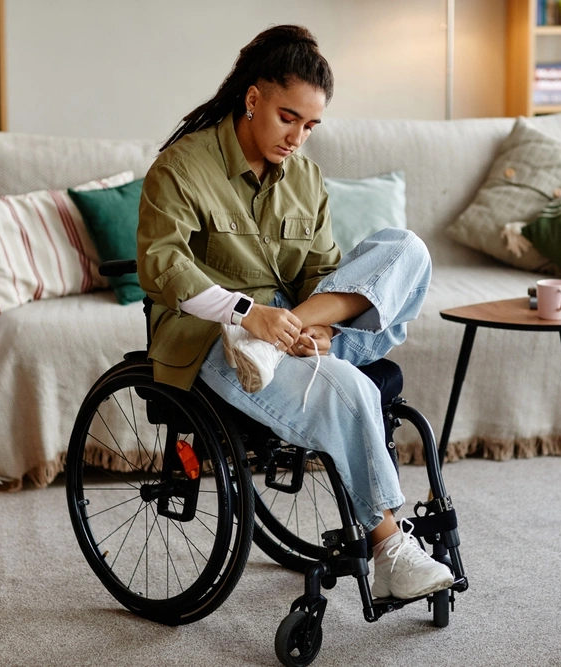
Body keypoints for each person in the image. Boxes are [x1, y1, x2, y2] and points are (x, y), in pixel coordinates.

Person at [136, 24, 453, 601]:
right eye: (288, 118)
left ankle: (290, 337)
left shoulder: (304, 178)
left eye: (310, 126)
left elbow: (321, 270)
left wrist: (319, 328)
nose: (297, 138)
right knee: (351, 390)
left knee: (407, 248)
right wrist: (247, 314)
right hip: (210, 332)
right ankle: (389, 547)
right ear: (253, 98)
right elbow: (162, 267)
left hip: (287, 326)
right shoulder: (181, 167)